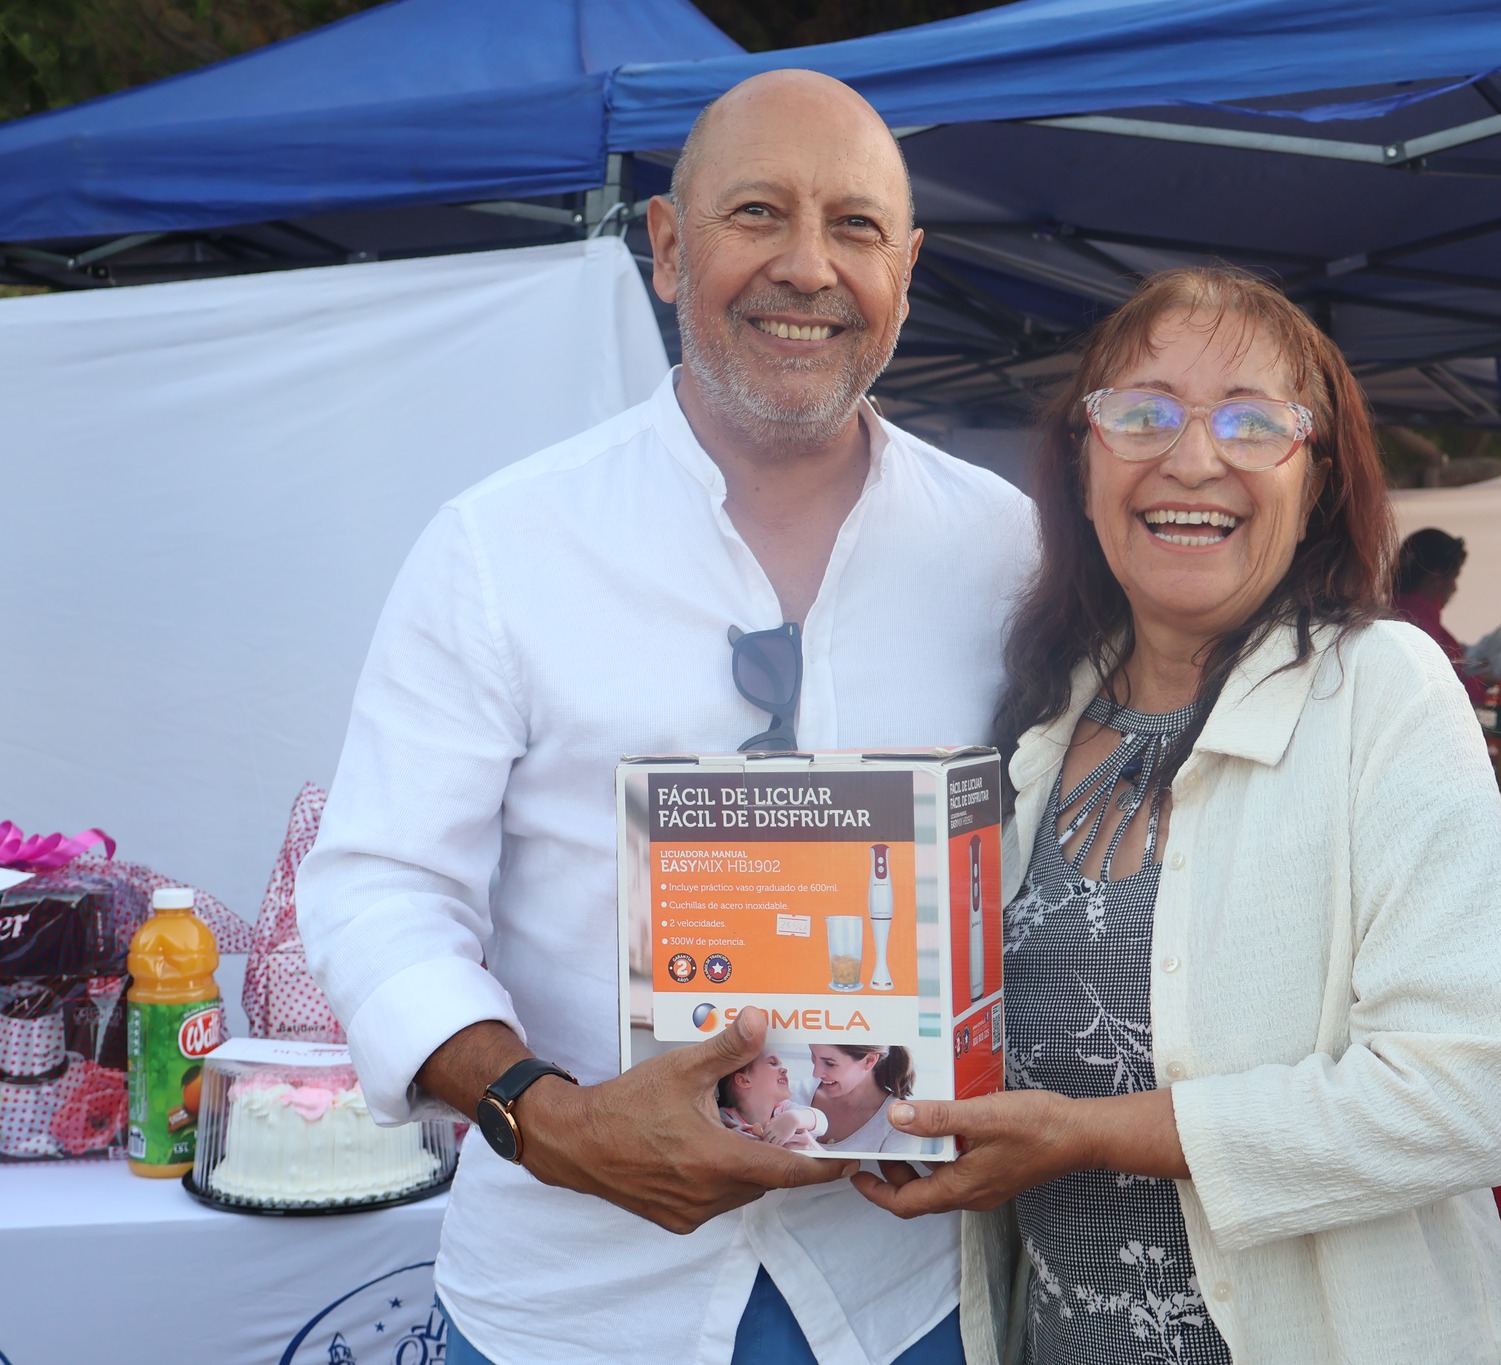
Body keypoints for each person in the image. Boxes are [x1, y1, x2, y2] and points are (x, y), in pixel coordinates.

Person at [297, 70, 1037, 1365]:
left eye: (856, 228)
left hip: (903, 1297)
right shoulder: (501, 546)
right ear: (666, 245)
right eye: (759, 212)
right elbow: (377, 893)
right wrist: (547, 1115)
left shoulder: (1008, 551)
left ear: (907, 271)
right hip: (573, 1302)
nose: (809, 267)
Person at [854, 267, 1501, 1363]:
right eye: (1141, 414)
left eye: (1250, 422)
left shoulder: (1382, 690)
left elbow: (1467, 1096)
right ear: (1081, 467)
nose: (1191, 458)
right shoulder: (1031, 725)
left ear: (1313, 479)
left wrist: (1083, 1139)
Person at [1393, 527, 1487, 704]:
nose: (1455, 588)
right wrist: (1482, 686)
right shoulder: (1421, 623)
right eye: (1454, 578)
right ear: (1436, 579)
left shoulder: (1386, 612)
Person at [809, 1045, 929, 1156]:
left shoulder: (898, 1123)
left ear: (868, 1061)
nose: (816, 1073)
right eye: (813, 1055)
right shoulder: (794, 1092)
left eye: (830, 1063)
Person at [718, 1053, 827, 1151]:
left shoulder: (784, 1110)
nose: (784, 1069)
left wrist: (794, 1118)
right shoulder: (724, 1118)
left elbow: (822, 1122)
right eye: (773, 1063)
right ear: (744, 1080)